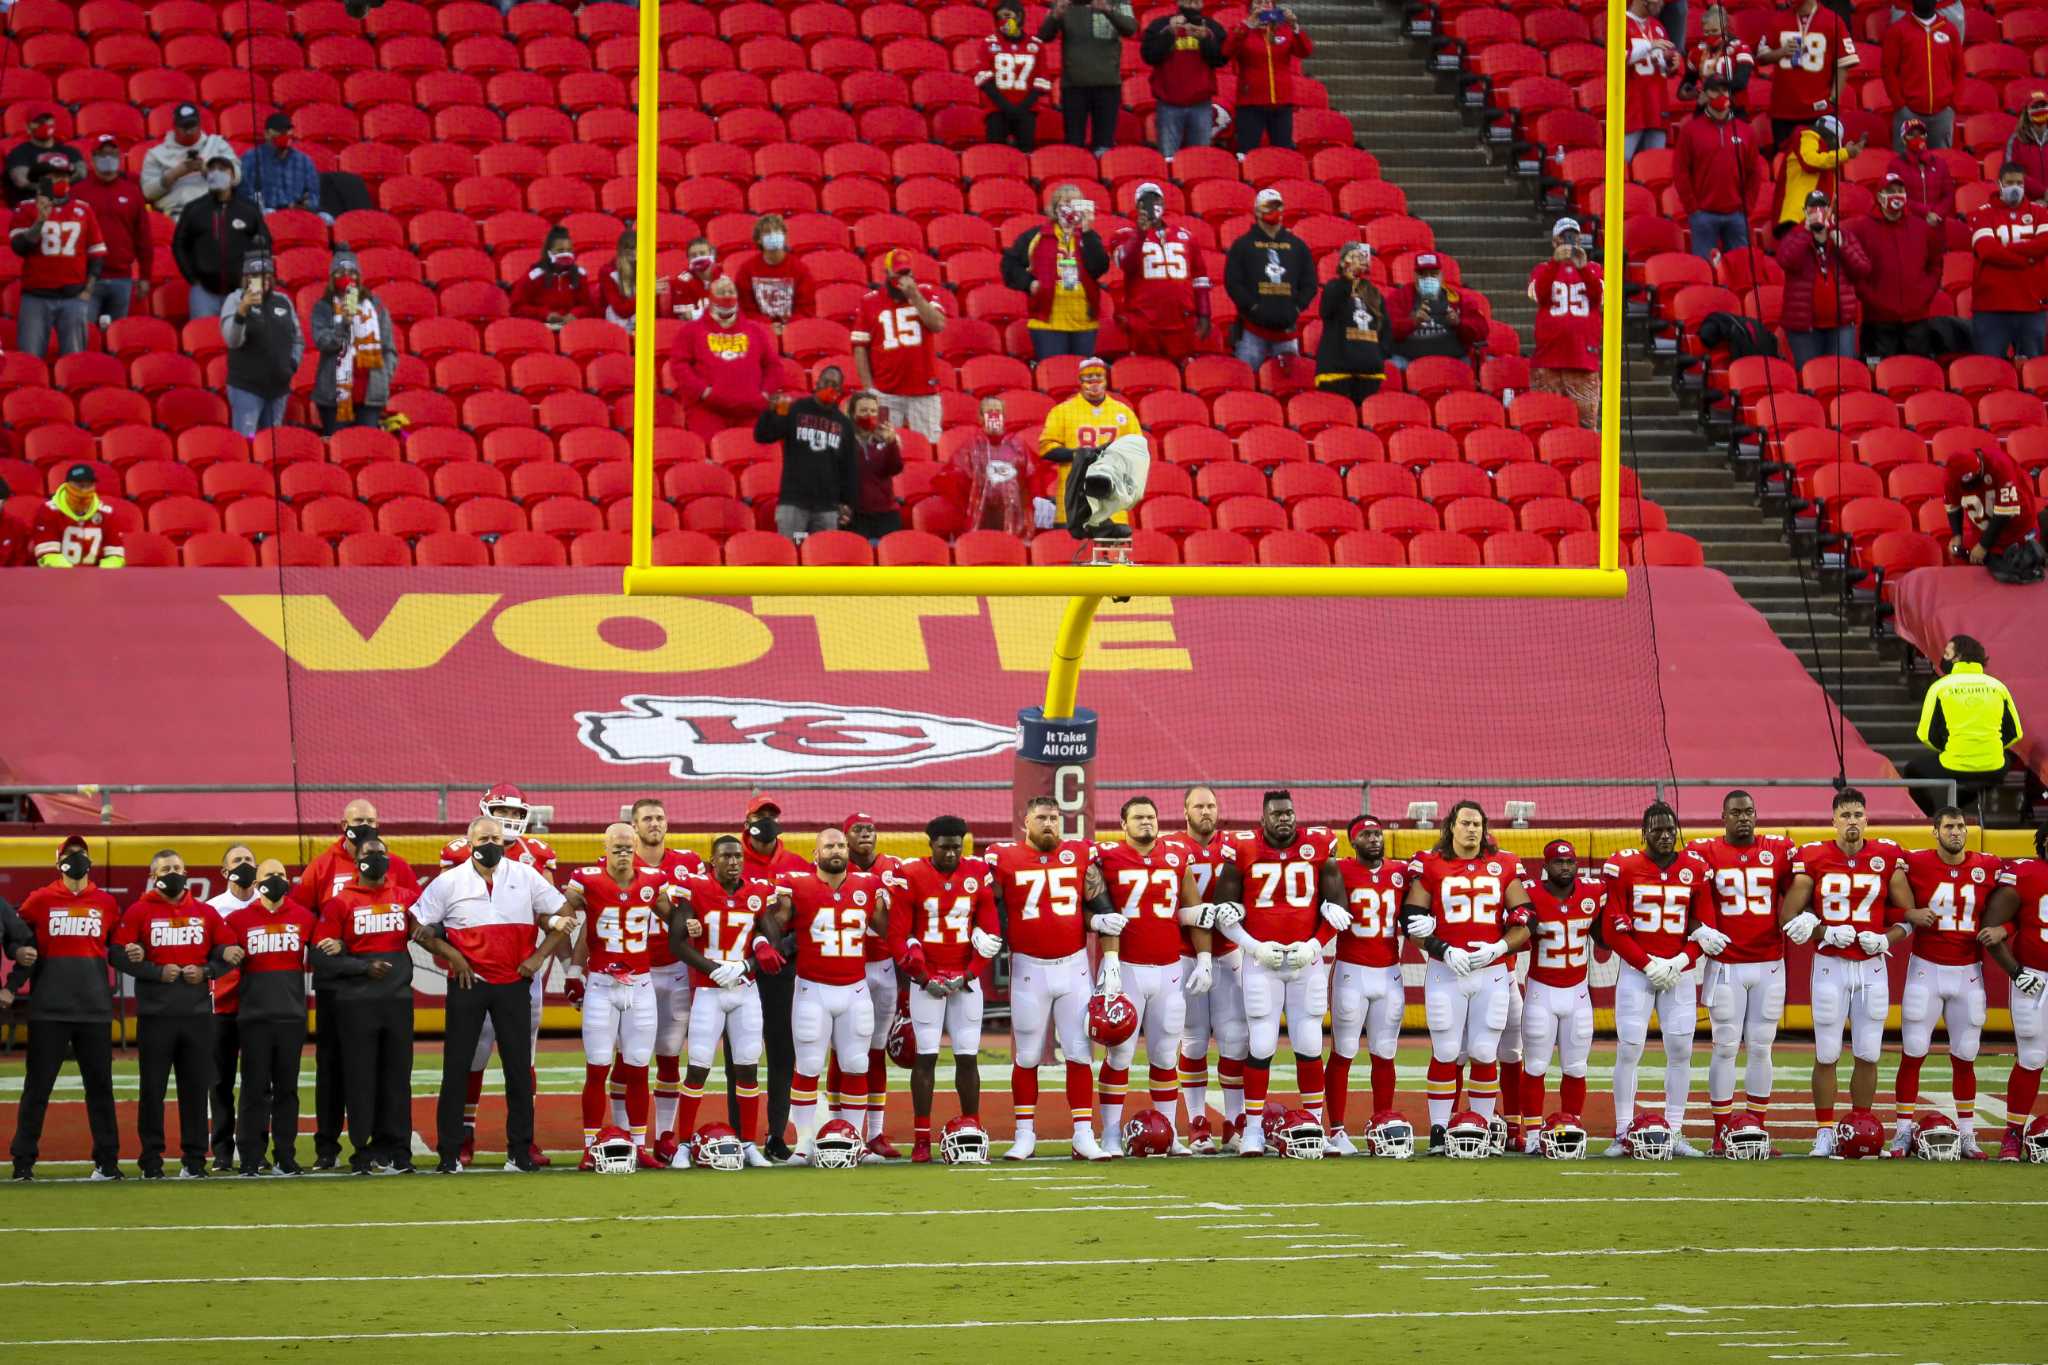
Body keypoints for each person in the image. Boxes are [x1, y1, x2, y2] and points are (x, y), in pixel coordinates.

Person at [412, 815, 571, 1174]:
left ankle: (519, 1152)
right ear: (469, 844)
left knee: (517, 1070)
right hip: (468, 984)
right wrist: (454, 956)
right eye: (484, 838)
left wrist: (538, 957)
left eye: (496, 839)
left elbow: (564, 913)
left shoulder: (526, 875)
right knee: (456, 1068)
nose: (490, 844)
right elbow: (418, 927)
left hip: (514, 983)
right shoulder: (448, 882)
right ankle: (449, 1154)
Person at [1776, 787, 1914, 1157]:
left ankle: (1861, 1126)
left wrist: (1886, 939)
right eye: (1845, 815)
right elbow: (1788, 917)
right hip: (1830, 965)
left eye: (1858, 815)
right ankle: (1823, 1131)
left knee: (1869, 1052)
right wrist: (1824, 930)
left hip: (1871, 967)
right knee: (1826, 1052)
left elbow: (1910, 916)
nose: (1852, 821)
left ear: (1866, 819)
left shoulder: (1886, 855)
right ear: (1834, 820)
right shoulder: (1815, 856)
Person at [1205, 791, 1342, 1151]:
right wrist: (1254, 947)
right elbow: (1223, 911)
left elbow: (1336, 908)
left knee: (1310, 1043)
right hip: (1260, 962)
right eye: (1277, 814)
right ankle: (1251, 1129)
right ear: (1263, 818)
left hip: (1306, 961)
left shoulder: (1318, 845)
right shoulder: (1243, 848)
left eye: (1289, 813)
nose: (1285, 819)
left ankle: (1315, 1126)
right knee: (1262, 1042)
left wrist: (1314, 946)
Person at [290, 798, 420, 1170]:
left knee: (387, 1070)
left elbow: (416, 916)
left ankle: (385, 1146)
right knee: (334, 1068)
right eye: (359, 820)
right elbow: (302, 918)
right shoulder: (324, 866)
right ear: (342, 824)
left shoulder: (397, 868)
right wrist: (337, 944)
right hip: (339, 989)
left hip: (387, 988)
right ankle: (328, 1145)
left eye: (371, 820)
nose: (365, 825)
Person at [1400, 801, 1534, 1155]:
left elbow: (1526, 917)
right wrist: (1443, 949)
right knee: (1446, 1050)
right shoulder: (1431, 864)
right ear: (1452, 827)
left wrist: (1498, 948)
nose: (1472, 829)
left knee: (1483, 1051)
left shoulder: (1503, 863)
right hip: (1447, 971)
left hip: (1490, 972)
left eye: (1477, 823)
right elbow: (1411, 919)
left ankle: (1481, 1128)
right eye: (1465, 823)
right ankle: (1440, 1131)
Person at [986, 797, 1113, 1161]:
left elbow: (1099, 904)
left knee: (1078, 1052)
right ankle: (1025, 1134)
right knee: (1026, 1056)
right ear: (1025, 821)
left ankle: (1083, 1134)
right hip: (1029, 968)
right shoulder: (1003, 858)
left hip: (1074, 966)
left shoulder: (1080, 854)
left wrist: (1101, 922)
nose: (1049, 824)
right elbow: (985, 900)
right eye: (1041, 817)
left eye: (1055, 818)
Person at [441, 785, 558, 1169]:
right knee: (471, 1054)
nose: (507, 819)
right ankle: (464, 1133)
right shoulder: (458, 853)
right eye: (499, 811)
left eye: (513, 811)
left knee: (523, 1057)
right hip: (475, 971)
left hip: (520, 967)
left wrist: (543, 956)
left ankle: (525, 1139)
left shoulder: (537, 854)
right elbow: (439, 919)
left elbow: (552, 911)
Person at [760, 828, 892, 1164]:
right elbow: (776, 921)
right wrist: (765, 936)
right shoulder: (798, 885)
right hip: (812, 987)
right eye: (829, 845)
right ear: (815, 853)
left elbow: (890, 929)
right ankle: (804, 1142)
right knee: (807, 1066)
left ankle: (854, 1140)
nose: (836, 850)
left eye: (841, 845)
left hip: (855, 987)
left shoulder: (867, 885)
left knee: (856, 1064)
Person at [1600, 804, 1717, 1158]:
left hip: (1678, 974)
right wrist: (1647, 963)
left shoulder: (1695, 868)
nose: (1665, 836)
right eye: (1657, 830)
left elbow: (1707, 928)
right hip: (1637, 973)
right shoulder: (1624, 867)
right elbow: (1611, 929)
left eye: (1670, 829)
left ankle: (1676, 1130)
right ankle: (1622, 1131)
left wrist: (1681, 961)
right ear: (1643, 832)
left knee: (1681, 1051)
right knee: (1629, 1048)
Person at [7, 837, 127, 1181]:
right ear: (58, 861)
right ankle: (23, 1162)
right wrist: (18, 955)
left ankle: (107, 1162)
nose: (77, 859)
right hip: (50, 1010)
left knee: (100, 1088)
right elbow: (17, 936)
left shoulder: (105, 902)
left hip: (94, 1010)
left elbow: (116, 944)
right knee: (38, 1088)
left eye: (81, 854)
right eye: (70, 855)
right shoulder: (39, 900)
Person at [115, 850, 236, 1179]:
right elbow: (118, 954)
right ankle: (151, 1161)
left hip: (197, 1017)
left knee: (195, 1090)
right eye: (166, 869)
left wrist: (209, 970)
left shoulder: (205, 912)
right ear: (154, 876)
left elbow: (231, 950)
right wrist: (154, 971)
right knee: (152, 1091)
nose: (174, 873)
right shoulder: (140, 911)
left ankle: (194, 1160)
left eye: (178, 868)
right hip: (156, 1016)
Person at [886, 816, 999, 1163]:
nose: (951, 853)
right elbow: (897, 935)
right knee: (926, 1057)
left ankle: (972, 1129)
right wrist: (923, 978)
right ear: (930, 844)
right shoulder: (911, 874)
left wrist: (968, 975)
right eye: (944, 846)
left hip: (964, 980)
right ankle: (922, 1139)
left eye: (956, 846)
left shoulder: (978, 872)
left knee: (967, 1056)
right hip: (928, 980)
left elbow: (992, 932)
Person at [1688, 790, 1795, 1155]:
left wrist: (1803, 914)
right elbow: (1683, 894)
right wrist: (1699, 926)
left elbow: (1800, 889)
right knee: (1725, 1047)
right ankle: (1721, 1132)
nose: (1744, 818)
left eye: (1749, 811)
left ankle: (1755, 1128)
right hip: (1727, 963)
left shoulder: (1778, 849)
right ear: (1723, 816)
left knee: (1762, 1047)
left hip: (1769, 962)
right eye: (1736, 812)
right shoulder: (1705, 852)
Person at [1893, 807, 2001, 1158]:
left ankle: (1968, 1134)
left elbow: (2015, 907)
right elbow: (1883, 896)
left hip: (1969, 971)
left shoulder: (1989, 866)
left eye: (1961, 826)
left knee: (1965, 1056)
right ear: (1934, 831)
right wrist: (1908, 913)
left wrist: (2004, 929)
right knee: (1913, 1052)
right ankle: (1902, 1131)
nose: (1957, 832)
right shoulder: (1915, 862)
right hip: (1926, 969)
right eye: (1950, 826)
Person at [664, 835, 778, 1168]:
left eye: (738, 856)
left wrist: (747, 965)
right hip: (709, 990)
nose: (733, 862)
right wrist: (713, 970)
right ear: (712, 860)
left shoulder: (757, 892)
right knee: (698, 1066)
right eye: (726, 856)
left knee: (747, 1067)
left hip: (745, 990)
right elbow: (676, 941)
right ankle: (683, 1144)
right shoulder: (696, 889)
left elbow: (773, 940)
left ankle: (748, 1144)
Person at [1089, 797, 1193, 1156]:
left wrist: (1207, 954)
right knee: (1119, 1055)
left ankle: (1170, 1131)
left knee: (1166, 1055)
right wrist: (1110, 956)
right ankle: (1111, 1133)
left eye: (1151, 817)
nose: (1146, 823)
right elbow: (1095, 902)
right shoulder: (1106, 857)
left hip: (1169, 969)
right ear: (1123, 823)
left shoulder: (1177, 855)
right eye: (1138, 817)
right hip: (1126, 968)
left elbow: (1191, 909)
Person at [558, 824, 667, 1162]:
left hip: (641, 985)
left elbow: (674, 919)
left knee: (637, 1068)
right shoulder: (586, 880)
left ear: (636, 847)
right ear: (604, 848)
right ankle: (590, 1147)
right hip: (602, 985)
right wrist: (573, 972)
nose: (622, 853)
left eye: (627, 847)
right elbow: (566, 919)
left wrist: (691, 923)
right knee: (597, 1066)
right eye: (616, 847)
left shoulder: (652, 880)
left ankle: (638, 1146)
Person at [224, 859, 316, 1176]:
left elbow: (321, 952)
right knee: (253, 1090)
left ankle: (285, 1156)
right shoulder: (238, 920)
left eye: (280, 875)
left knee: (287, 1091)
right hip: (254, 1018)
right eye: (268, 875)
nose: (275, 880)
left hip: (291, 1017)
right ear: (256, 881)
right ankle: (250, 1156)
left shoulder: (304, 918)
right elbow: (217, 961)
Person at [1165, 785, 1242, 1152]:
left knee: (1234, 1040)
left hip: (1228, 952)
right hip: (1184, 954)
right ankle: (1197, 1122)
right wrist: (1191, 915)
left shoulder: (1235, 845)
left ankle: (1236, 1122)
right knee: (1193, 1041)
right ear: (1185, 811)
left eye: (1211, 805)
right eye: (1199, 806)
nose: (1206, 812)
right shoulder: (1171, 848)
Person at [624, 798, 705, 1146]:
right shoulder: (620, 860)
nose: (654, 824)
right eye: (646, 819)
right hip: (631, 972)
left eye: (659, 817)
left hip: (674, 969)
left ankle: (665, 1136)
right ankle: (626, 1136)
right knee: (624, 1057)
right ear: (634, 825)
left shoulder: (687, 863)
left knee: (670, 1056)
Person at [1325, 816, 1408, 1155]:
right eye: (1366, 835)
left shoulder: (1401, 871)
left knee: (1385, 1053)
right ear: (1353, 842)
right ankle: (1337, 1129)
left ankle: (1382, 1121)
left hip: (1390, 972)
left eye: (1377, 833)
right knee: (1344, 1051)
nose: (1374, 839)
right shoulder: (1339, 870)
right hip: (1351, 971)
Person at [1515, 839, 1602, 1153]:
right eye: (1558, 862)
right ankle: (1535, 1135)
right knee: (1536, 1066)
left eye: (1570, 862)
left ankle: (1571, 1127)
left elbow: (1605, 933)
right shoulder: (1530, 895)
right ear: (1546, 866)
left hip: (1578, 993)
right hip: (1542, 992)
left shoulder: (1592, 893)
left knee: (1576, 1067)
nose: (1565, 868)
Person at [739, 797, 812, 1161]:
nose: (766, 821)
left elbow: (810, 917)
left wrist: (784, 946)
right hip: (739, 971)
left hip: (784, 970)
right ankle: (741, 1137)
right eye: (759, 816)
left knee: (783, 1053)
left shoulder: (797, 865)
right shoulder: (730, 858)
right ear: (747, 819)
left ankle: (776, 1134)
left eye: (771, 816)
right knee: (742, 1056)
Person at [1982, 825, 2048, 1160]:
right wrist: (2015, 972)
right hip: (2035, 978)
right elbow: (1992, 930)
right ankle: (2013, 1134)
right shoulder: (2025, 873)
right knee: (2032, 1056)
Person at [1907, 634, 2026, 812]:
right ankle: (1962, 802)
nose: (1942, 658)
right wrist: (1985, 747)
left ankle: (1933, 817)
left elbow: (1925, 736)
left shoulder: (1940, 687)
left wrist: (1953, 749)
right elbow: (2015, 734)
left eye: (1946, 654)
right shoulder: (1998, 686)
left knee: (1912, 770)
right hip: (1994, 767)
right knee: (2006, 759)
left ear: (1958, 657)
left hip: (1954, 765)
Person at [9, 156, 107, 360]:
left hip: (73, 296)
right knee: (30, 358)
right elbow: (19, 247)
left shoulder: (83, 209)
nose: (59, 181)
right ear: (40, 181)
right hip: (36, 296)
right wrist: (40, 221)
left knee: (75, 360)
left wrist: (87, 291)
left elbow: (97, 253)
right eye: (53, 177)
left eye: (63, 176)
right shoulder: (26, 208)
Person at [1002, 184, 1111, 362]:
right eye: (1065, 203)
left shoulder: (1089, 236)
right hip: (1047, 321)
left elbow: (1100, 267)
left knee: (1080, 375)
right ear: (1054, 208)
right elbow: (1009, 264)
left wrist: (1087, 230)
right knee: (1056, 374)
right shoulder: (1036, 236)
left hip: (1084, 321)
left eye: (1076, 203)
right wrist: (1028, 283)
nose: (1071, 208)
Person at [755, 367, 859, 544]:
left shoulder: (844, 424)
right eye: (826, 382)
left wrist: (847, 503)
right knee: (793, 553)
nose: (830, 387)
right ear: (816, 383)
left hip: (827, 509)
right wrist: (771, 412)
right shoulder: (795, 409)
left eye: (835, 385)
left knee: (822, 560)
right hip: (794, 504)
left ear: (841, 391)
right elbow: (764, 435)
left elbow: (849, 468)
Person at [851, 250, 947, 441]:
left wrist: (915, 297)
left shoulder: (925, 292)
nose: (902, 279)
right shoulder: (870, 301)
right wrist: (869, 388)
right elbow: (860, 346)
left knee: (928, 444)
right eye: (898, 274)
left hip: (923, 391)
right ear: (887, 273)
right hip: (886, 392)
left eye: (906, 273)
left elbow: (938, 325)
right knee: (882, 445)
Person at [205, 845, 260, 1171]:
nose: (244, 866)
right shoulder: (211, 909)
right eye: (237, 861)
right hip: (223, 1005)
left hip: (259, 1006)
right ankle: (223, 1151)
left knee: (258, 1083)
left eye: (248, 861)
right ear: (224, 872)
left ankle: (255, 1149)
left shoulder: (269, 904)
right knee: (219, 1081)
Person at [1039, 355, 1142, 530]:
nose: (1094, 383)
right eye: (1088, 378)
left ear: (1105, 380)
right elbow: (1046, 449)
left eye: (1098, 378)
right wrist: (1077, 454)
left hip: (1112, 502)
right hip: (1074, 499)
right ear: (1080, 381)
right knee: (1071, 555)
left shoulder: (1123, 412)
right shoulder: (1062, 411)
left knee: (1112, 555)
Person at [1847, 174, 1942, 360]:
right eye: (1890, 192)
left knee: (1917, 375)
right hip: (1878, 322)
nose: (1896, 196)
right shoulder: (1862, 229)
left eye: (1900, 191)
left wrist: (1924, 295)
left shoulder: (1921, 228)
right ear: (1880, 196)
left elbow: (1936, 264)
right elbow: (1854, 271)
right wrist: (1873, 300)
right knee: (1881, 379)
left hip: (1917, 320)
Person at [1111, 182, 1212, 357]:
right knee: (1149, 373)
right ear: (1138, 206)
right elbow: (1125, 263)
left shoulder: (1185, 236)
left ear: (1163, 204)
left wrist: (1204, 314)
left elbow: (1200, 278)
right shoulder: (1124, 234)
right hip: (1146, 321)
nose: (1152, 205)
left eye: (1155, 200)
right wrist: (1140, 234)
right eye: (1146, 201)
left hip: (1180, 321)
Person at [1674, 77, 1766, 259]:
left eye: (1724, 91)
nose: (1721, 95)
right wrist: (1693, 208)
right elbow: (1681, 172)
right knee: (1706, 271)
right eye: (1715, 91)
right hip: (1703, 215)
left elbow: (1754, 172)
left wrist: (1747, 206)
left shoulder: (1745, 131)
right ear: (1706, 95)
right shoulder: (1690, 130)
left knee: (1740, 271)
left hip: (1737, 215)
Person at [1224, 188, 1316, 373]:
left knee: (1288, 385)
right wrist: (1252, 307)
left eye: (1277, 206)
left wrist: (1297, 307)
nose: (1274, 211)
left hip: (1287, 332)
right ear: (1257, 211)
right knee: (1246, 381)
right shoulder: (1243, 245)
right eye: (1268, 207)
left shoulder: (1297, 246)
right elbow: (1233, 282)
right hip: (1252, 331)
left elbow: (1310, 282)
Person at [676, 276, 777, 442]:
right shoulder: (691, 330)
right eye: (721, 292)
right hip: (708, 408)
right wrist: (703, 391)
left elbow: (773, 366)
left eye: (730, 291)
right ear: (710, 297)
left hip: (750, 408)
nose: (727, 296)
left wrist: (765, 393)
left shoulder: (755, 330)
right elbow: (679, 366)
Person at [1777, 190, 1871, 365]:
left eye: (1822, 207)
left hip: (1840, 326)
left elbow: (1863, 270)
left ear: (1830, 211)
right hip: (1804, 328)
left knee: (1842, 377)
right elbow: (1786, 260)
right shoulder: (1795, 235)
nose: (1818, 212)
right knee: (1810, 379)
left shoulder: (1844, 236)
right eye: (1813, 208)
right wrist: (1806, 233)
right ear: (1805, 211)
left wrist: (1842, 246)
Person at [1527, 219, 1604, 428]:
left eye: (1573, 236)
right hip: (1548, 362)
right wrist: (1555, 263)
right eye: (1564, 237)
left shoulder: (1595, 269)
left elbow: (1599, 297)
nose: (1569, 242)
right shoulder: (1543, 269)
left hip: (1583, 361)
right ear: (1554, 241)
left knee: (1585, 428)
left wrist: (1583, 268)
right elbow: (1539, 294)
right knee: (1544, 425)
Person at [1967, 163, 2048, 362]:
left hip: (2031, 306)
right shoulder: (1981, 214)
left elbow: (2044, 244)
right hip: (1991, 308)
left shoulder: (2040, 212)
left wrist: (2006, 249)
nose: (2015, 187)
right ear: (1999, 184)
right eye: (2010, 182)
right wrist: (2027, 257)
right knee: (1990, 371)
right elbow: (1987, 250)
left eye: (2019, 183)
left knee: (2034, 373)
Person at [311, 247, 397, 434]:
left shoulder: (375, 306)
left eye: (352, 272)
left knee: (367, 446)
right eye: (341, 272)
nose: (347, 276)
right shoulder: (323, 307)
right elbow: (323, 342)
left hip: (369, 392)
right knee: (339, 447)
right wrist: (343, 324)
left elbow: (388, 348)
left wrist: (384, 376)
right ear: (333, 276)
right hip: (334, 395)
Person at [172, 152, 268, 320]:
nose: (217, 173)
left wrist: (255, 287)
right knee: (203, 339)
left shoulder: (249, 209)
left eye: (222, 169)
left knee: (245, 339)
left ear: (232, 176)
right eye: (212, 169)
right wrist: (192, 278)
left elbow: (263, 245)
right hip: (204, 292)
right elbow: (179, 244)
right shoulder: (194, 209)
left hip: (242, 291)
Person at [1755, 0, 1859, 152]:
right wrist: (1781, 52)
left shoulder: (1833, 20)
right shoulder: (1778, 20)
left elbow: (1844, 62)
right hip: (1783, 110)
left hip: (1820, 110)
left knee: (1822, 162)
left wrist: (1833, 98)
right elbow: (1761, 57)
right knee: (1787, 164)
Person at [71, 135, 152, 328]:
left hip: (121, 278)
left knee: (118, 334)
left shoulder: (132, 192)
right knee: (86, 334)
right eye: (103, 154)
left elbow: (143, 237)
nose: (108, 158)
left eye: (113, 154)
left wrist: (145, 276)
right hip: (87, 279)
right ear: (93, 157)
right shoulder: (77, 192)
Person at [219, 254, 302, 438]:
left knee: (271, 446)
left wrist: (292, 364)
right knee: (247, 442)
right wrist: (242, 310)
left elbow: (297, 337)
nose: (262, 281)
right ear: (246, 278)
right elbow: (231, 340)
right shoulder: (234, 300)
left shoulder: (283, 301)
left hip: (278, 388)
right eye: (256, 276)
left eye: (266, 276)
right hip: (247, 388)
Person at [1040, 0, 1137, 155]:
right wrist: (1055, 16)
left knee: (1104, 143)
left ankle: (1102, 174)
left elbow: (1131, 29)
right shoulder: (1064, 2)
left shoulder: (1118, 2)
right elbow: (1043, 36)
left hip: (1108, 83)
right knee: (1074, 142)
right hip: (1074, 84)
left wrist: (1107, 10)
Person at [1142, 0, 1229, 159]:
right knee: (1168, 159)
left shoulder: (1212, 27)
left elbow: (1220, 59)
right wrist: (1170, 33)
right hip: (1168, 103)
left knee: (1200, 158)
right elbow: (1149, 57)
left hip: (1201, 103)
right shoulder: (1160, 25)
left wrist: (1205, 38)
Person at [1944, 449, 2044, 585]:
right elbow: (1953, 505)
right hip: (1986, 531)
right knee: (1998, 577)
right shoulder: (1951, 476)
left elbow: (2005, 512)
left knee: (2024, 569)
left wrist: (1983, 545)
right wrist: (1957, 535)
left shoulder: (2000, 464)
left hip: (2017, 526)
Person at [1225, 5, 1314, 153]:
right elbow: (1227, 51)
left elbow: (1305, 51)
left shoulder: (1284, 30)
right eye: (1258, 2)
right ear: (1251, 8)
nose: (1263, 6)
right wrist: (1247, 24)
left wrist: (1294, 26)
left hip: (1281, 101)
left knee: (1283, 150)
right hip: (1251, 101)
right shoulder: (1242, 31)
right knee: (1247, 150)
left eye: (1267, 1)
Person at [1313, 243, 1390, 409]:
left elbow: (1385, 329)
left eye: (1361, 256)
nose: (1358, 259)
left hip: (1369, 373)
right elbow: (1326, 310)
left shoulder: (1373, 292)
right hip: (1337, 372)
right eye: (1353, 256)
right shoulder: (1334, 286)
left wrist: (1378, 354)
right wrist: (1348, 280)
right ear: (1342, 263)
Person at [1880, 0, 1963, 152]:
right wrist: (1900, 105)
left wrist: (1952, 104)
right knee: (1904, 168)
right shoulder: (1898, 30)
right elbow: (1888, 71)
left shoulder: (1949, 29)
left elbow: (1959, 70)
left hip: (1942, 114)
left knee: (1939, 169)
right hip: (1908, 113)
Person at [1387, 250, 1485, 370]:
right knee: (1391, 365)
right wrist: (1412, 322)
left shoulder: (1457, 297)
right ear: (1414, 275)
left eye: (1433, 274)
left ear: (1441, 275)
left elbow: (1481, 330)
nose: (1428, 278)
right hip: (1408, 360)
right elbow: (1386, 330)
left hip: (1454, 360)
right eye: (1422, 274)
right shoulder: (1400, 297)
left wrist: (1459, 323)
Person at [976, 1, 1051, 153]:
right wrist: (1005, 106)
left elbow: (1042, 80)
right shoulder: (989, 43)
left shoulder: (1035, 45)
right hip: (996, 109)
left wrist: (1023, 107)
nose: (1004, 20)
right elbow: (984, 79)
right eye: (1000, 17)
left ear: (1019, 16)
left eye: (1007, 16)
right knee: (996, 154)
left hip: (1026, 110)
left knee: (1026, 153)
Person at [142, 103, 241, 219]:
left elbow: (236, 178)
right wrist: (175, 173)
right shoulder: (156, 154)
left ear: (199, 124)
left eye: (192, 126)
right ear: (174, 127)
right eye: (184, 127)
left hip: (217, 208)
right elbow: (148, 193)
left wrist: (207, 170)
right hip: (179, 212)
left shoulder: (217, 144)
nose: (189, 131)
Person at [731, 214, 815, 340]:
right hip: (759, 332)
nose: (773, 235)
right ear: (758, 239)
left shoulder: (800, 269)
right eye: (767, 232)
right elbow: (745, 308)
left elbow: (806, 308)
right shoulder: (747, 270)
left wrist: (789, 326)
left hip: (795, 331)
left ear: (785, 236)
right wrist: (767, 326)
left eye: (777, 231)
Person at [1775, 115, 1864, 229]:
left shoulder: (1828, 162)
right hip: (1797, 217)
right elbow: (1810, 161)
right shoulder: (1807, 136)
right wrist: (1845, 153)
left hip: (1814, 220)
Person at [32, 464, 126, 569]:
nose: (84, 490)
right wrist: (74, 576)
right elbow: (48, 555)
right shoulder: (49, 511)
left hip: (97, 578)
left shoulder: (107, 513)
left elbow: (115, 556)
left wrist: (100, 575)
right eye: (80, 485)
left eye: (89, 485)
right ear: (67, 486)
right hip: (58, 578)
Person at [1624, 0, 1680, 161]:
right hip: (1631, 107)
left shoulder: (1658, 26)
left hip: (1656, 107)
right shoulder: (1619, 24)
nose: (1662, 4)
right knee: (1622, 164)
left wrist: (1672, 63)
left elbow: (1665, 65)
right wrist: (1649, 46)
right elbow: (1615, 60)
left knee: (1655, 165)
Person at [846, 394, 905, 541]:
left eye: (873, 411)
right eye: (864, 410)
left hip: (886, 513)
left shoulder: (889, 439)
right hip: (856, 515)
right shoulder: (843, 440)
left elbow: (894, 468)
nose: (869, 414)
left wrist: (891, 443)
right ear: (853, 414)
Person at [239, 112, 322, 216]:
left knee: (326, 218)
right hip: (266, 213)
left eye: (287, 131)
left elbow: (313, 195)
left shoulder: (304, 160)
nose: (284, 134)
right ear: (266, 134)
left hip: (297, 212)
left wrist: (306, 204)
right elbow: (244, 193)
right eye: (279, 131)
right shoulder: (251, 158)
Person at [511, 224, 590, 328]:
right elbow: (517, 307)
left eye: (569, 250)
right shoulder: (534, 275)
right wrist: (545, 315)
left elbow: (587, 306)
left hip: (571, 329)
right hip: (540, 327)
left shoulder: (580, 275)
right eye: (560, 250)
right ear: (549, 252)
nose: (566, 254)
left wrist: (575, 314)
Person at [4, 106, 82, 208]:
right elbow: (21, 182)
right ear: (28, 127)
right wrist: (51, 188)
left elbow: (81, 173)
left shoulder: (69, 151)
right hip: (31, 207)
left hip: (65, 206)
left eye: (47, 121)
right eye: (39, 122)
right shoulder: (19, 153)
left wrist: (60, 186)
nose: (44, 125)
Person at [1679, 6, 1755, 108]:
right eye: (1706, 32)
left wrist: (1710, 92)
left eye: (1715, 31)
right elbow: (1686, 86)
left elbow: (1741, 82)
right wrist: (1687, 93)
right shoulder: (1697, 52)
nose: (1710, 35)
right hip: (1706, 108)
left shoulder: (1740, 48)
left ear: (1724, 27)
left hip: (1735, 107)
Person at [1886, 118, 1955, 225]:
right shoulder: (1895, 165)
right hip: (1908, 223)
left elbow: (1949, 194)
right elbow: (1896, 196)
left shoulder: (1940, 163)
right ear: (1904, 139)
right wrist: (1925, 213)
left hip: (1937, 222)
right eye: (1912, 135)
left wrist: (1937, 214)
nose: (1917, 138)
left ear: (1926, 137)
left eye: (1921, 134)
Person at [2006, 92, 2048, 203]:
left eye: (2043, 106)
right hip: (2026, 204)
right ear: (2026, 113)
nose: (2039, 110)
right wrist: (2042, 193)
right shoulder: (2016, 140)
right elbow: (2011, 174)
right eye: (2034, 107)